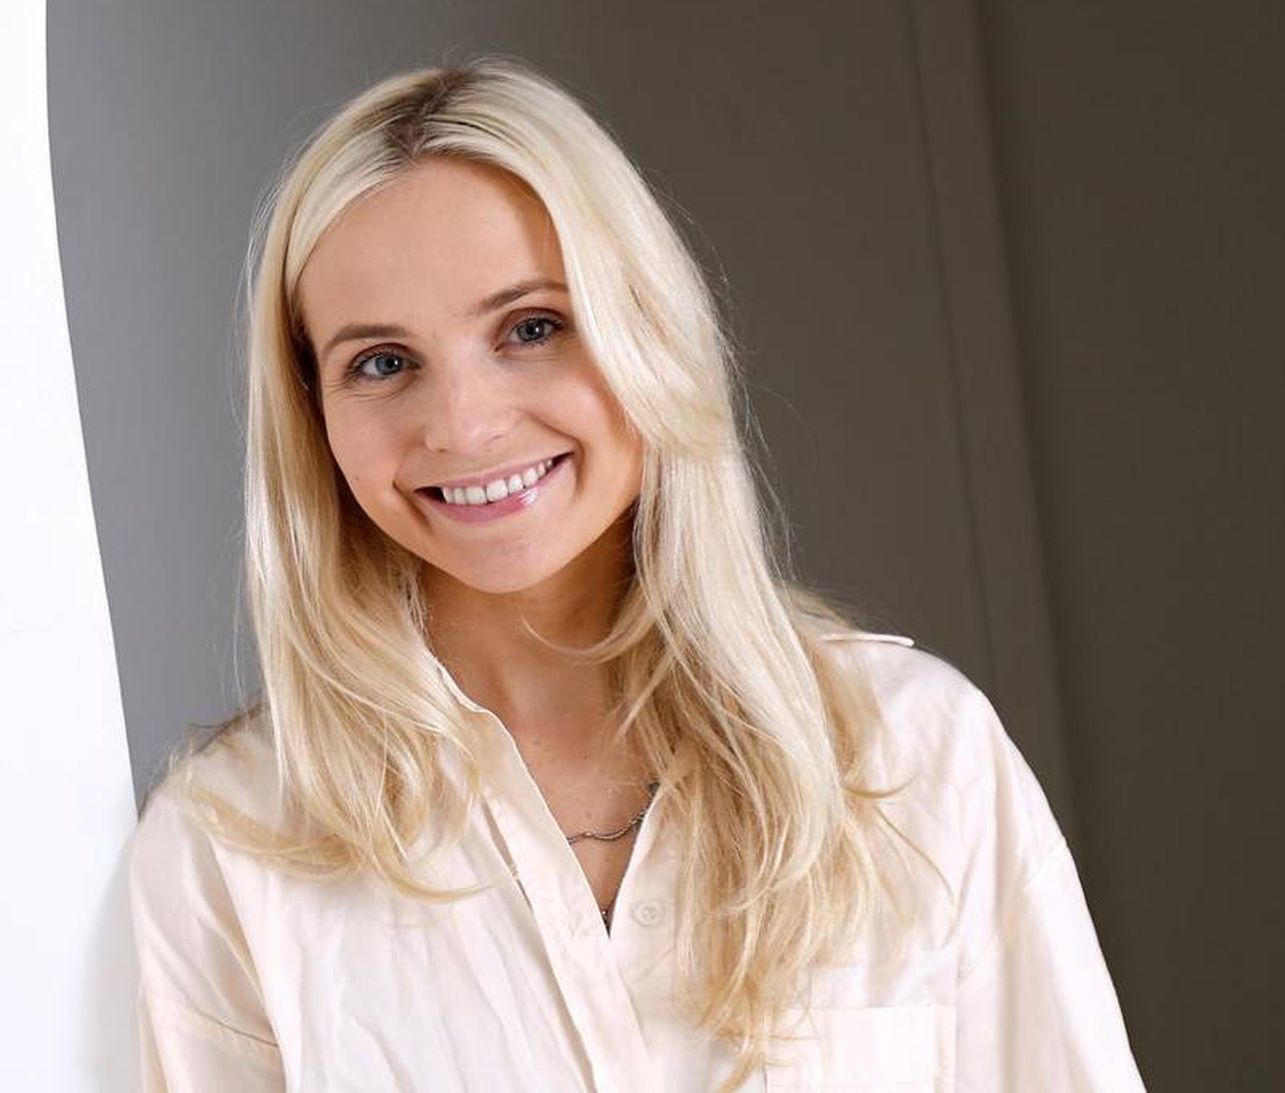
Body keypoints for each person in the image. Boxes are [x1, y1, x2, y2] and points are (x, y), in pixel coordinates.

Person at [126, 56, 1145, 1092]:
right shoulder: (228, 853)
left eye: (532, 328)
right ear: (314, 416)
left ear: (646, 331)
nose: (464, 425)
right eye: (382, 362)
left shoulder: (920, 755)